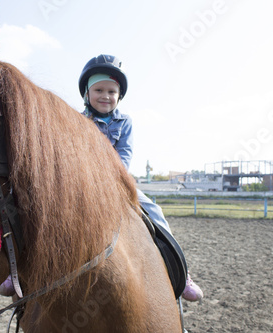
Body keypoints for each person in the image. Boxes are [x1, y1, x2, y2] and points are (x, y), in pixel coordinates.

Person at [79, 54, 203, 302]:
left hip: (117, 181)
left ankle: (182, 272)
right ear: (87, 93)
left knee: (154, 210)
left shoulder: (125, 122)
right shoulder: (78, 121)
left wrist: (110, 178)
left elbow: (124, 155)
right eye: (99, 90)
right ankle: (18, 275)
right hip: (83, 180)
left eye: (112, 91)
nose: (105, 96)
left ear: (119, 95)